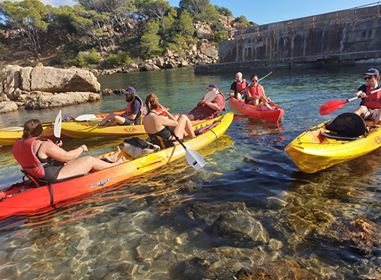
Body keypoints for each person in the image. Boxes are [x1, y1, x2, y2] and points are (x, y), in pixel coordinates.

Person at [12, 119, 123, 183]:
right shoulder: (43, 144)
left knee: (79, 162)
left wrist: (55, 147)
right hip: (52, 176)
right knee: (89, 160)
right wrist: (81, 148)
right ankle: (117, 165)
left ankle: (110, 159)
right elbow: (68, 156)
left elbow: (37, 157)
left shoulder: (20, 144)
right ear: (40, 131)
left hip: (39, 177)